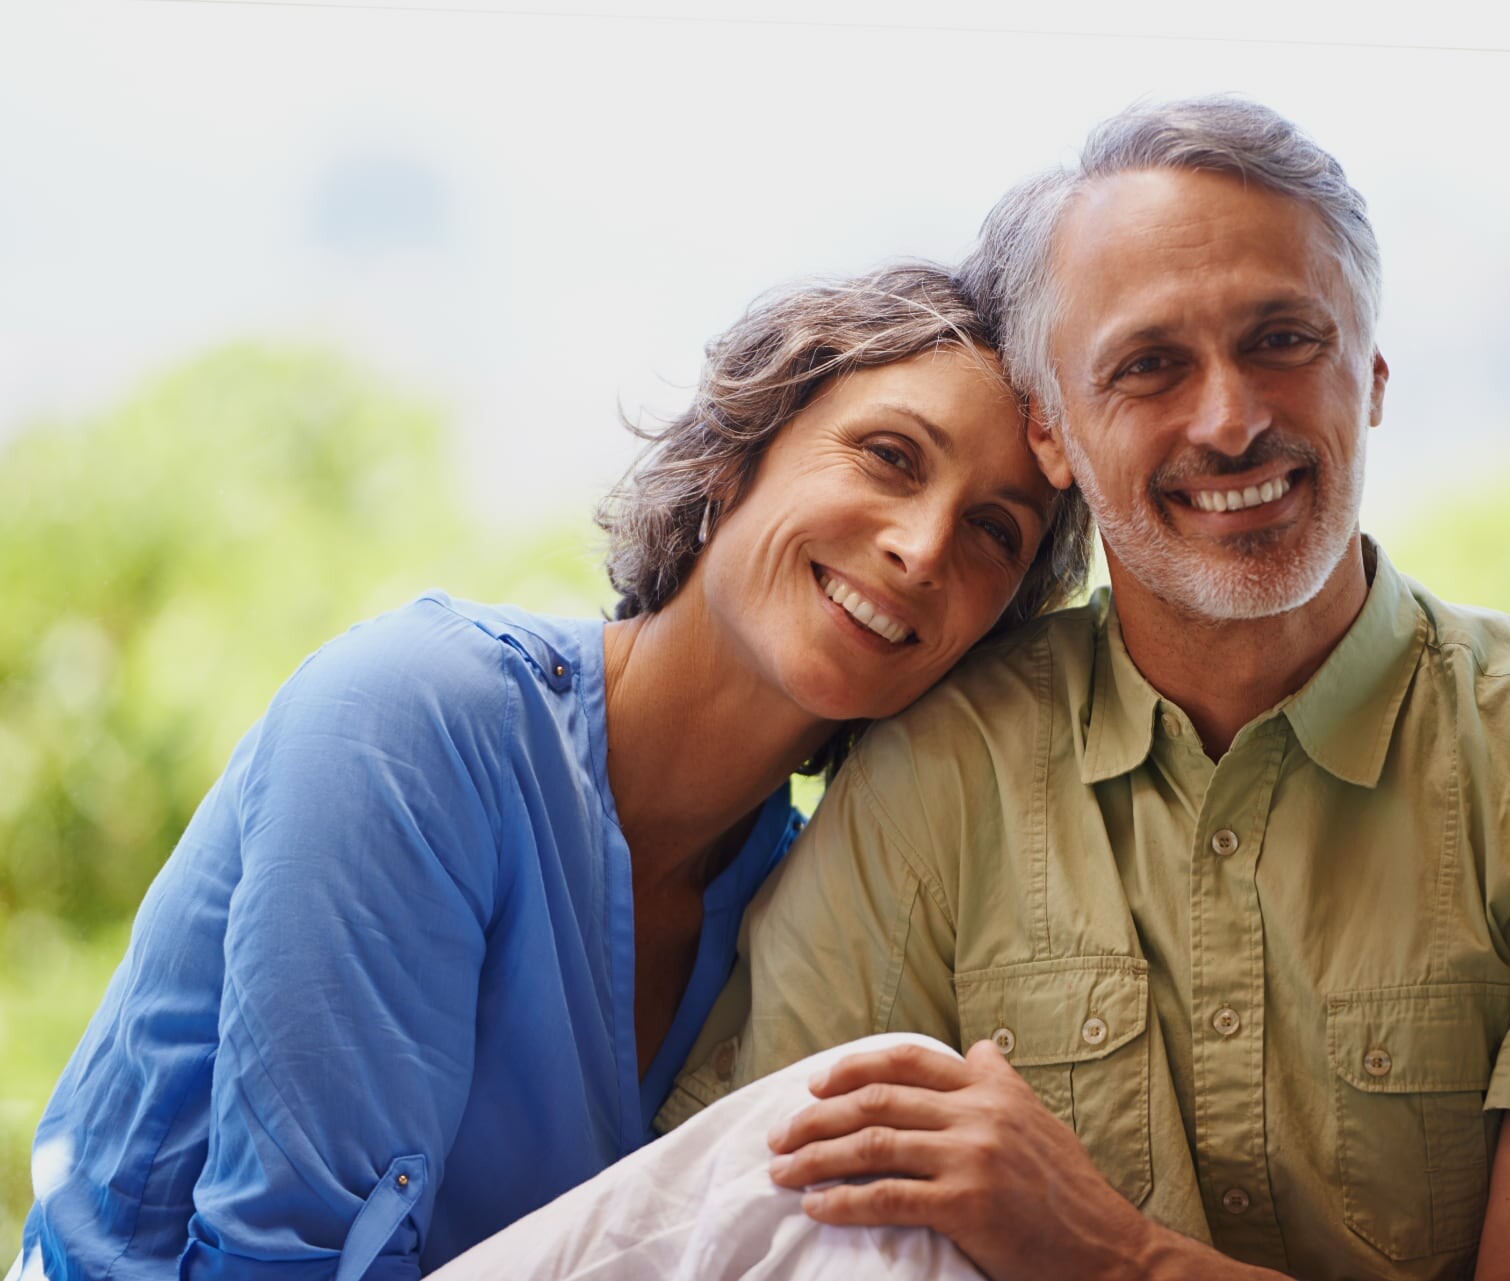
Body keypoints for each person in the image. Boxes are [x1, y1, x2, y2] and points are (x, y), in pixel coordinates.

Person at [425, 97, 1510, 1281]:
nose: (1229, 418)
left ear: (1371, 377)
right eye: (1148, 366)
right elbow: (749, 1223)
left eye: (1282, 340)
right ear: (1054, 434)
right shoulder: (943, 764)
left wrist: (1096, 1249)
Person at [11, 263, 1089, 1281]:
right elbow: (282, 1256)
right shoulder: (416, 716)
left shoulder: (804, 903)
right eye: (891, 456)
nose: (923, 545)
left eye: (995, 531)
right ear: (733, 453)